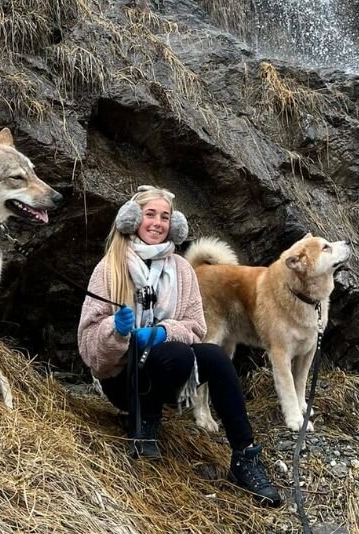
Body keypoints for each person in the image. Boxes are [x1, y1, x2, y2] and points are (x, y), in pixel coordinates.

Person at [77, 185, 282, 507]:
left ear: (174, 224)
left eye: (165, 217)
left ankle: (245, 456)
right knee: (173, 353)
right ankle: (143, 420)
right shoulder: (109, 268)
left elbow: (196, 327)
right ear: (132, 219)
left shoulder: (182, 270)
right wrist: (115, 331)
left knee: (214, 356)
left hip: (170, 367)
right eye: (150, 214)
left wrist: (161, 331)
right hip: (122, 380)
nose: (158, 222)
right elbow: (90, 348)